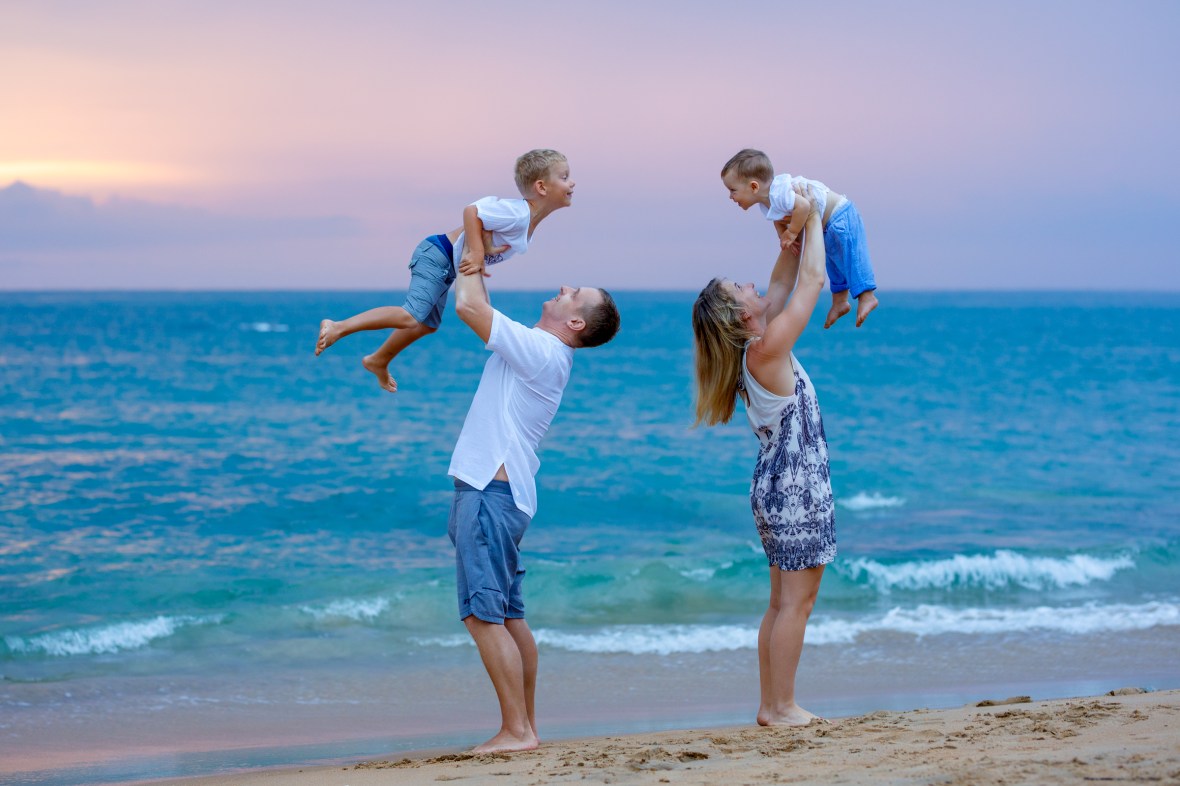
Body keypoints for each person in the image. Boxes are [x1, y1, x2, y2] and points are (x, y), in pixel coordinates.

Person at [446, 249, 620, 752]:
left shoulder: (542, 352)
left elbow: (469, 309)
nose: (566, 286)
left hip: (489, 493)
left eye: (574, 293)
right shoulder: (540, 351)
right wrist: (476, 262)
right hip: (504, 496)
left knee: (484, 616)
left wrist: (474, 244)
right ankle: (526, 727)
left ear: (574, 320)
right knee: (509, 615)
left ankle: (516, 730)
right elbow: (479, 306)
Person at [691, 202, 834, 726]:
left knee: (781, 603)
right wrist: (816, 212)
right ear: (741, 315)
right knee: (797, 603)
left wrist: (792, 234)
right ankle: (781, 706)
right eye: (741, 289)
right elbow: (811, 280)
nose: (753, 286)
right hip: (793, 489)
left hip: (778, 485)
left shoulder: (754, 345)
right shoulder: (766, 349)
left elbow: (787, 273)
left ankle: (772, 704)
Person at [314, 149, 575, 392]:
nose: (571, 183)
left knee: (427, 325)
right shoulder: (518, 213)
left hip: (446, 265)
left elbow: (484, 228)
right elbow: (473, 211)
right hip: (436, 254)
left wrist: (479, 254)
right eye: (564, 177)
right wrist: (476, 251)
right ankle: (339, 327)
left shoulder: (525, 221)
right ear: (541, 187)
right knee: (409, 316)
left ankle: (378, 360)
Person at [721, 148, 878, 329]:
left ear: (754, 187)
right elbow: (778, 219)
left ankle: (867, 296)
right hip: (825, 225)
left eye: (733, 190)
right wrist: (783, 234)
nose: (731, 196)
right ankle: (840, 301)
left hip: (840, 214)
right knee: (833, 264)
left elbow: (803, 206)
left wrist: (792, 232)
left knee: (852, 258)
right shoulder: (766, 204)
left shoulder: (779, 193)